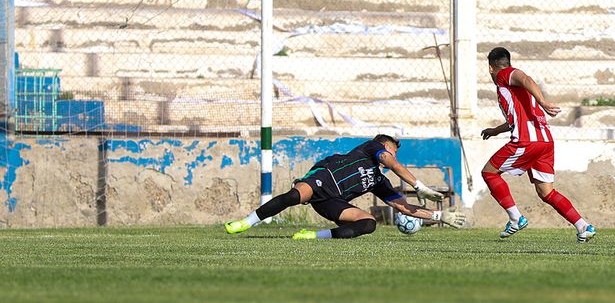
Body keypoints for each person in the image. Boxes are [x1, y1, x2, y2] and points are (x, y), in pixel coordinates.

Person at [224, 134, 466, 239]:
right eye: (393, 148)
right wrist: (418, 184)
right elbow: (390, 161)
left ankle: (316, 236)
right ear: (383, 145)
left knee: (369, 224)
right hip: (323, 180)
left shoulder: (379, 181)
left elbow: (402, 207)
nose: (393, 153)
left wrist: (440, 215)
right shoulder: (370, 148)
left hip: (332, 203)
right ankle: (246, 222)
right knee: (294, 195)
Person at [480, 47, 596, 242]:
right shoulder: (513, 91)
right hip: (544, 141)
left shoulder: (504, 75)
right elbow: (515, 120)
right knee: (546, 192)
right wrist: (495, 131)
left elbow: (525, 79)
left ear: (490, 68)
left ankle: (516, 218)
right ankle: (583, 226)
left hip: (527, 141)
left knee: (489, 172)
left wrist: (542, 101)